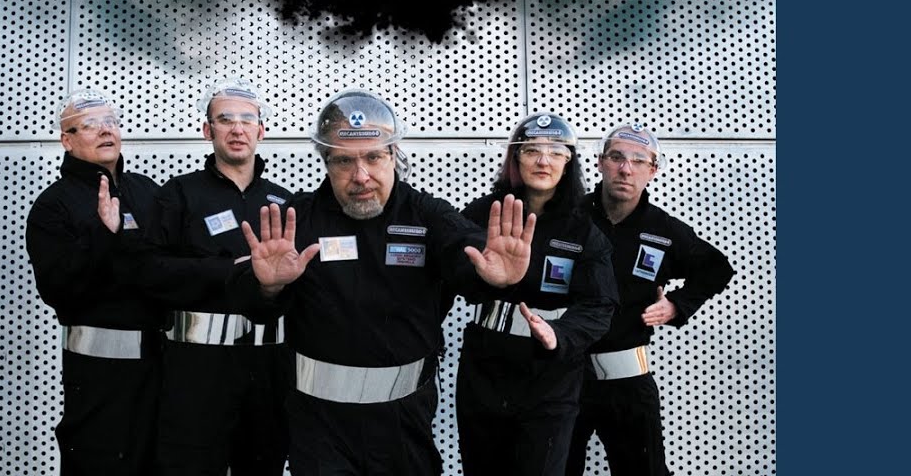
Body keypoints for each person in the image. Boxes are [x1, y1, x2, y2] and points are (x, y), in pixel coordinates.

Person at [232, 88, 538, 476]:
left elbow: (466, 254)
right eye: (344, 161)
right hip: (319, 422)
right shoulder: (297, 219)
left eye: (373, 157)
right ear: (326, 162)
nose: (361, 176)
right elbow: (253, 303)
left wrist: (493, 276)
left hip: (403, 420)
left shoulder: (426, 215)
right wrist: (268, 287)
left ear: (393, 155)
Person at [25, 87, 229, 476]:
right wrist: (103, 235)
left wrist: (229, 265)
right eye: (90, 125)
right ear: (66, 140)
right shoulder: (53, 205)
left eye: (111, 122)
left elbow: (175, 264)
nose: (106, 131)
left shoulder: (146, 190)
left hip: (163, 365)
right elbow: (56, 288)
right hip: (98, 373)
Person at [454, 113, 619, 476]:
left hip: (551, 376)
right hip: (485, 367)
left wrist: (559, 333)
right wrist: (487, 279)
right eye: (532, 150)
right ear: (516, 158)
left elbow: (600, 305)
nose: (544, 160)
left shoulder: (584, 229)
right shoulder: (485, 213)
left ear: (568, 162)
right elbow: (449, 276)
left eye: (555, 152)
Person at [565, 123, 735, 476]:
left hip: (627, 380)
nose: (626, 169)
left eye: (639, 161)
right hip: (561, 378)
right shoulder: (568, 218)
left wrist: (677, 305)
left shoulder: (663, 229)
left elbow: (717, 269)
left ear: (653, 171)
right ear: (600, 163)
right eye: (616, 157)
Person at [146, 78, 295, 476]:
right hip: (197, 365)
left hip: (268, 365)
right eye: (225, 120)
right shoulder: (178, 194)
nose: (237, 129)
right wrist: (228, 269)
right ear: (206, 130)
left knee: (263, 464)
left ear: (261, 131)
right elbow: (150, 270)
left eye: (247, 120)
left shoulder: (284, 201)